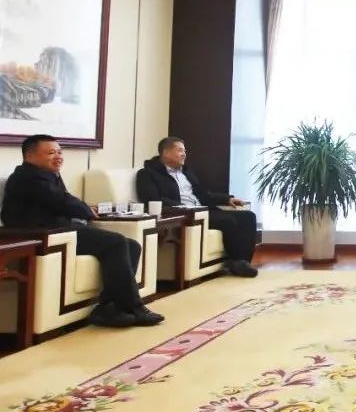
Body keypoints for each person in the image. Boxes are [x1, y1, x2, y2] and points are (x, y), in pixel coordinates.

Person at [1, 135, 164, 327]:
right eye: (51, 153)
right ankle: (133, 307)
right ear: (30, 156)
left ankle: (109, 307)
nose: (58, 157)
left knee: (132, 245)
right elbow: (61, 201)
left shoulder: (46, 174)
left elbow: (64, 199)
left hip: (61, 230)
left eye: (59, 152)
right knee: (117, 241)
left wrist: (86, 209)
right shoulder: (27, 178)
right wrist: (87, 211)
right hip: (44, 233)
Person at [136, 137, 259, 277]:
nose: (184, 154)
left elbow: (203, 194)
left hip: (203, 210)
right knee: (228, 221)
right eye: (180, 150)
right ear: (166, 152)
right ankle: (236, 262)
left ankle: (243, 261)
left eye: (184, 151)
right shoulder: (147, 174)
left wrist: (227, 199)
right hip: (184, 214)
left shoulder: (186, 172)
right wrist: (182, 207)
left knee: (248, 217)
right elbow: (152, 199)